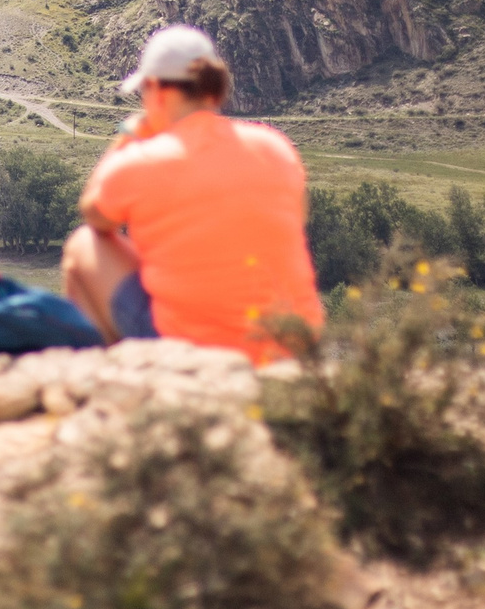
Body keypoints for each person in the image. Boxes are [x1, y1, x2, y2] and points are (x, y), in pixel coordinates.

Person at [61, 24, 322, 365]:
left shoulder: (143, 160)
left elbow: (93, 213)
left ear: (155, 89)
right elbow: (298, 219)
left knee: (84, 243)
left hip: (194, 350)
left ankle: (110, 375)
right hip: (292, 348)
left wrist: (129, 135)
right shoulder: (275, 146)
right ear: (213, 89)